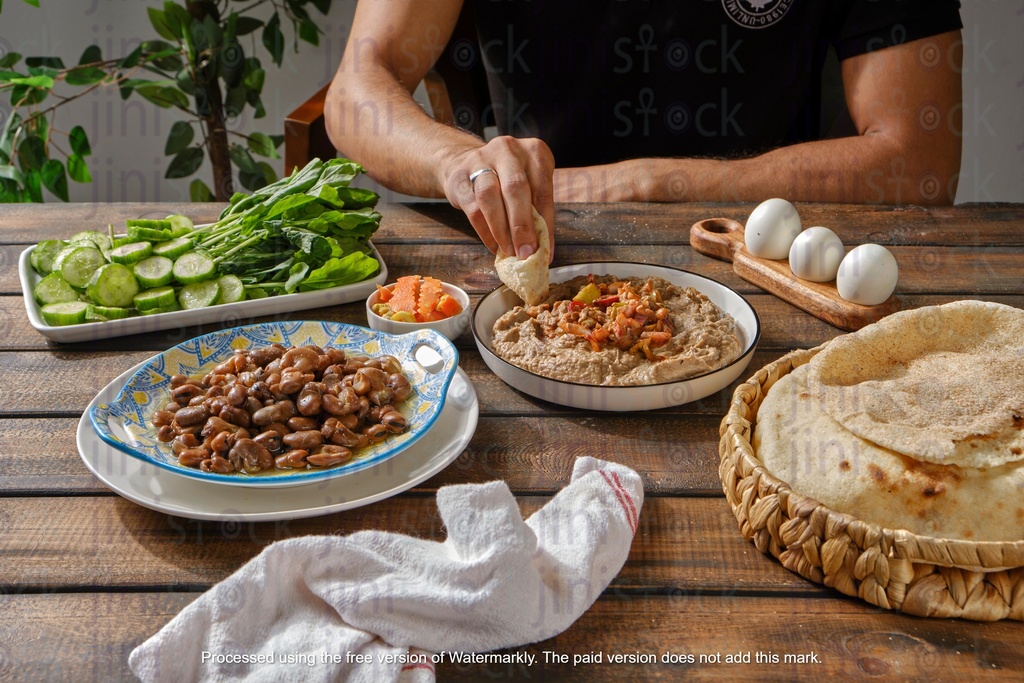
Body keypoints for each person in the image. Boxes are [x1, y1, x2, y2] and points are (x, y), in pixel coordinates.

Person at [325, 0, 963, 261]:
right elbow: (357, 87)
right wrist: (456, 160)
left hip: (762, 256)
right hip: (544, 248)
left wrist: (651, 180)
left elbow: (920, 157)